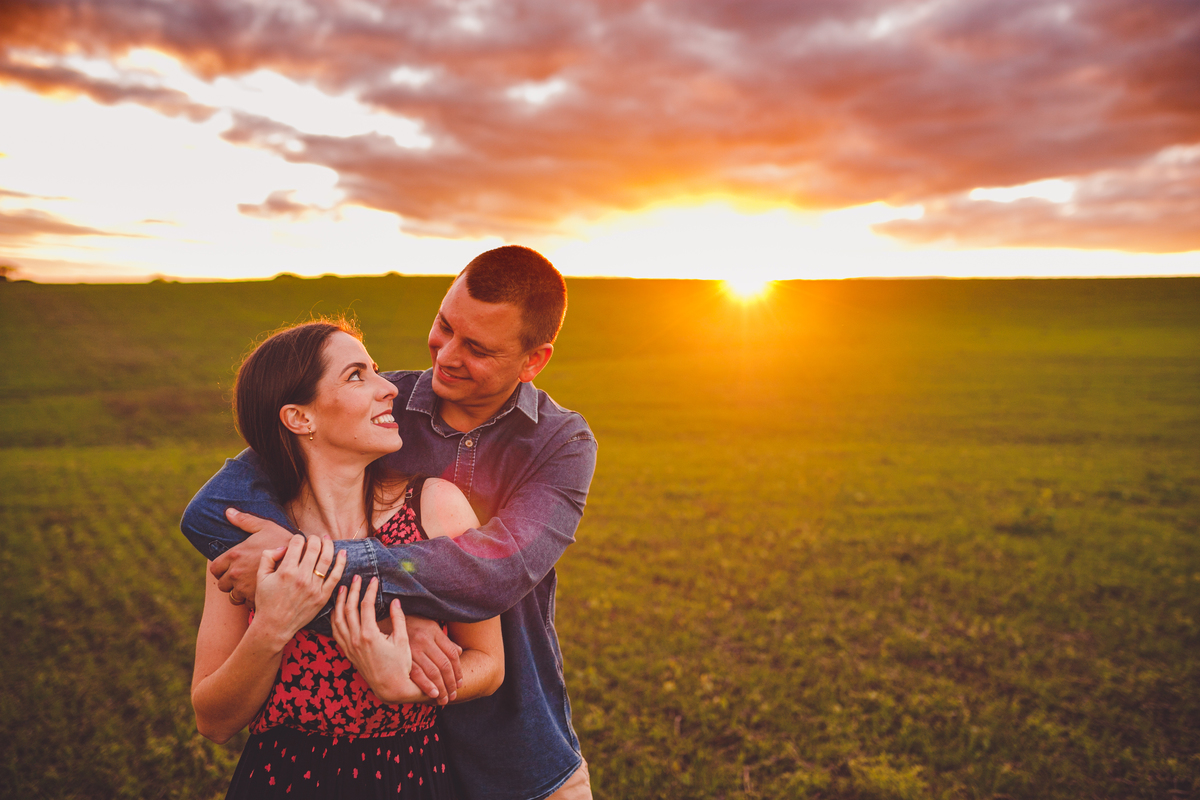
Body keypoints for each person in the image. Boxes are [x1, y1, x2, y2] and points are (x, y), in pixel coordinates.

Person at [181, 246, 598, 800]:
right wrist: (372, 606)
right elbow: (211, 510)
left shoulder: (561, 444)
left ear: (533, 361)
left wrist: (361, 590)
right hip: (398, 762)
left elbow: (497, 572)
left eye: (476, 347)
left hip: (514, 755)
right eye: (444, 326)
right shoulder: (381, 408)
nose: (446, 355)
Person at [191, 319, 504, 799]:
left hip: (412, 776)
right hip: (280, 781)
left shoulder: (437, 507)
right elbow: (212, 720)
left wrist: (410, 685)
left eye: (375, 370)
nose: (388, 389)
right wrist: (272, 627)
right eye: (357, 375)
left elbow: (490, 663)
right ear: (300, 418)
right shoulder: (249, 538)